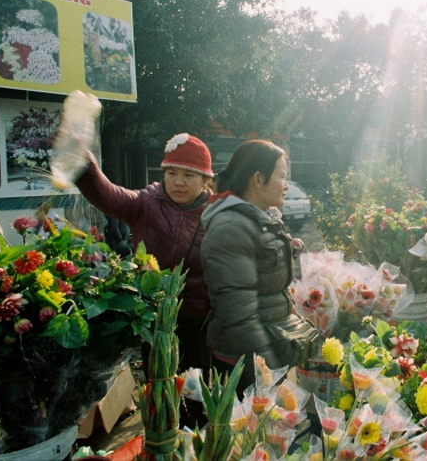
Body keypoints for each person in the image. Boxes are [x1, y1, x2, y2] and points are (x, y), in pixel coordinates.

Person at [73, 132, 215, 428]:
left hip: (199, 324)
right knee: (161, 393)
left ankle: (195, 443)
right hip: (156, 324)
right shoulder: (145, 204)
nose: (178, 181)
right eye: (171, 173)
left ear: (205, 180)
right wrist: (82, 161)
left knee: (197, 396)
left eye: (189, 175)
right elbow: (106, 193)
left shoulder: (217, 215)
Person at [201, 140, 310, 395]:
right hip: (243, 362)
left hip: (263, 350)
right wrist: (268, 370)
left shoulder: (259, 219)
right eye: (282, 177)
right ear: (258, 179)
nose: (286, 186)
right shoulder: (231, 227)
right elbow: (239, 315)